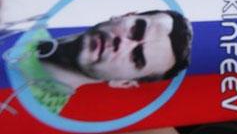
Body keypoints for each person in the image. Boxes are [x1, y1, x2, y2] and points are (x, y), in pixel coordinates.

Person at [15, 10, 192, 115]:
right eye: (137, 28)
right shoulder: (20, 23)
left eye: (136, 58)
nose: (122, 44)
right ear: (124, 15)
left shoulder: (45, 116)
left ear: (124, 83)